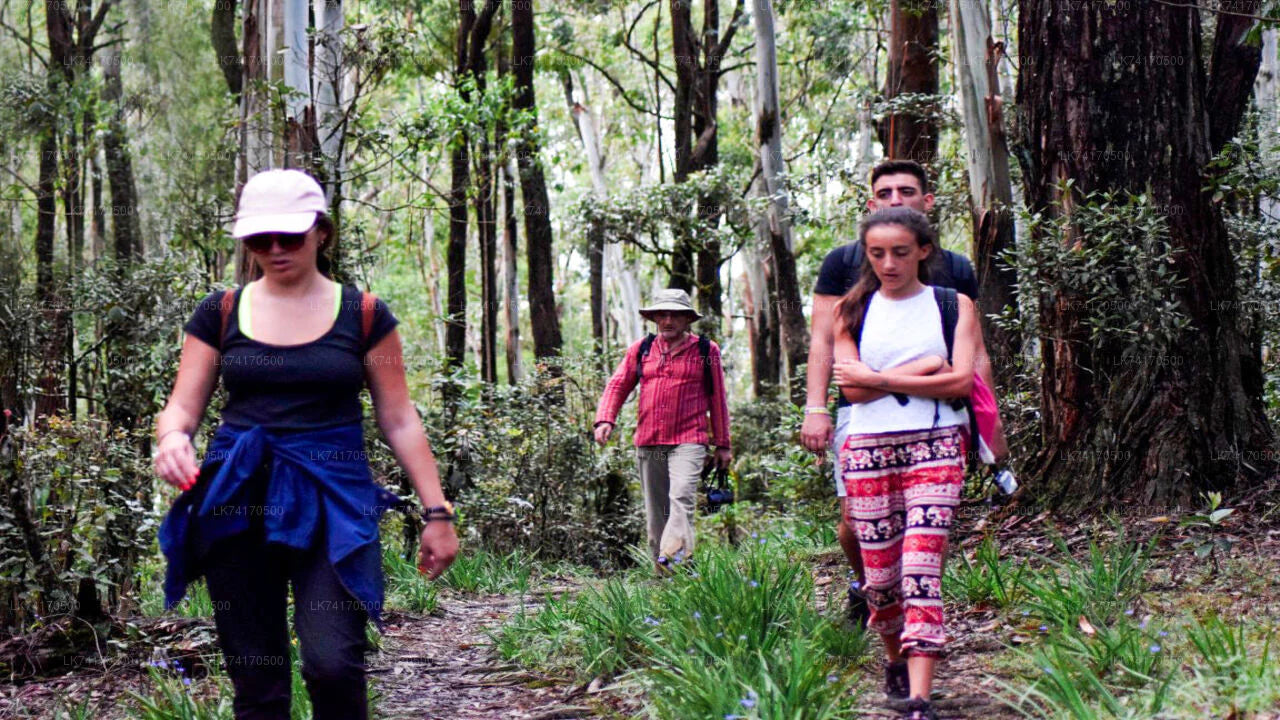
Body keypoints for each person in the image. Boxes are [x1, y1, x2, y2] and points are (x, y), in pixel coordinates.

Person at [153, 169, 458, 720]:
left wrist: (437, 512)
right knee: (257, 676)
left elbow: (399, 418)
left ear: (322, 231)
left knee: (333, 663)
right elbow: (182, 405)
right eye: (258, 239)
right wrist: (173, 437)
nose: (273, 249)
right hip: (236, 500)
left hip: (334, 502)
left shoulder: (364, 314)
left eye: (288, 236)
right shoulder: (219, 312)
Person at [801, 159, 1006, 624]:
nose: (896, 199)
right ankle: (870, 587)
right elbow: (822, 340)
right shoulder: (843, 263)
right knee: (855, 520)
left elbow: (974, 354)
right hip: (861, 408)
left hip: (939, 410)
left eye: (907, 191)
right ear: (872, 202)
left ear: (926, 201)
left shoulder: (953, 267)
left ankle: (915, 608)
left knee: (925, 519)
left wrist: (991, 424)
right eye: (886, 192)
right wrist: (815, 408)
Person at [832, 207, 976, 720]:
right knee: (881, 576)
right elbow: (850, 390)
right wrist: (923, 367)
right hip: (868, 451)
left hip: (936, 444)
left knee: (920, 567)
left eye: (900, 251)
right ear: (867, 256)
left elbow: (960, 382)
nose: (889, 263)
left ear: (924, 250)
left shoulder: (951, 306)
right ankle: (893, 657)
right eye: (877, 253)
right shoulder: (851, 310)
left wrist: (883, 379)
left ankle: (919, 696)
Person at [593, 289, 732, 570]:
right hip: (649, 440)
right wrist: (605, 418)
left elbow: (717, 396)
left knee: (681, 497)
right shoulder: (641, 349)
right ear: (655, 317)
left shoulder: (706, 350)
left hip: (689, 440)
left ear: (687, 319)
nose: (668, 320)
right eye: (662, 314)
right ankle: (666, 578)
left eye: (675, 315)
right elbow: (618, 384)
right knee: (657, 514)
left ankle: (673, 559)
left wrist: (723, 443)